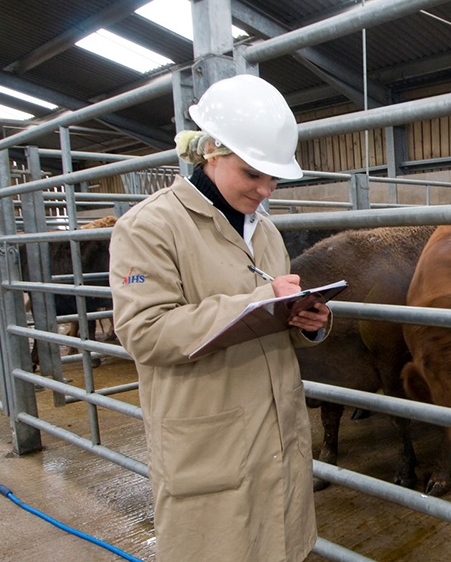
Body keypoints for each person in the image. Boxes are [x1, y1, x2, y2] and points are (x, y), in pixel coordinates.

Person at [109, 74, 330, 562]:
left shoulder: (265, 232)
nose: (265, 189)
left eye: (274, 178)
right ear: (211, 151)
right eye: (253, 174)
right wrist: (259, 301)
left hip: (276, 432)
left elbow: (272, 321)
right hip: (212, 441)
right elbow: (144, 332)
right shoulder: (150, 227)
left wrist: (305, 322)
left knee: (282, 545)